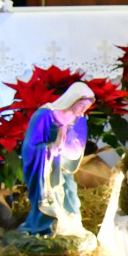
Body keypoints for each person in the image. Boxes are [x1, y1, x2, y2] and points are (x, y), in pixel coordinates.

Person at [20, 82, 95, 237]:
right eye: (81, 106)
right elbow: (29, 146)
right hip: (44, 166)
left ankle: (71, 224)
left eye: (85, 108)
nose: (82, 112)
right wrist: (50, 148)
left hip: (63, 165)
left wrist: (64, 148)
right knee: (48, 195)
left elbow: (77, 146)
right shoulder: (44, 115)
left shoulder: (79, 120)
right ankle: (44, 227)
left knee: (70, 193)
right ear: (72, 100)